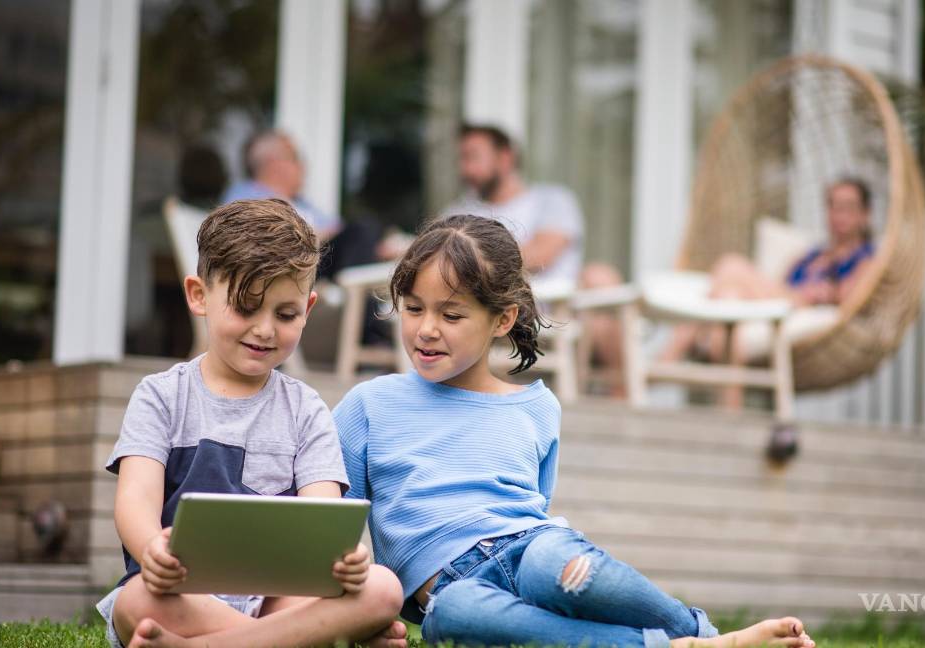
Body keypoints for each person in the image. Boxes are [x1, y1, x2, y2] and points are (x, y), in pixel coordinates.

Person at [333, 214, 817, 648]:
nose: (426, 329)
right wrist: (364, 609)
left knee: (554, 567)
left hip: (533, 552)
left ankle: (700, 633)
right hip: (449, 592)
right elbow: (337, 525)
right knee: (455, 617)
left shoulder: (537, 408)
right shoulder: (369, 405)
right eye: (414, 309)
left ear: (503, 319)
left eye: (451, 314)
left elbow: (535, 508)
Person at [95, 199, 407, 648]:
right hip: (180, 594)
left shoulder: (306, 408)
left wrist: (345, 560)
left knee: (381, 588)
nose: (264, 330)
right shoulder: (161, 395)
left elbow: (322, 523)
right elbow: (135, 500)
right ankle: (298, 641)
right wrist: (151, 548)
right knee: (135, 603)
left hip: (275, 596)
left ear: (309, 307)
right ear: (199, 295)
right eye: (245, 308)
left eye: (285, 315)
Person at [661, 177, 877, 368]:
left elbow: (852, 300)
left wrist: (821, 292)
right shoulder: (815, 254)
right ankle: (730, 411)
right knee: (729, 297)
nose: (839, 215)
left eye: (848, 207)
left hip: (798, 306)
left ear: (865, 214)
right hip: (782, 300)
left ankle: (661, 367)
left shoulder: (865, 259)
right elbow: (781, 281)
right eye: (833, 206)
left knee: (731, 265)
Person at [224, 130, 409, 278]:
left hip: (320, 263)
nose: (303, 166)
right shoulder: (245, 194)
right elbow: (250, 240)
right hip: (288, 268)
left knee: (365, 232)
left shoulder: (303, 204)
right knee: (362, 229)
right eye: (296, 158)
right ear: (275, 163)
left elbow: (339, 230)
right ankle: (368, 323)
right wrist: (321, 234)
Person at [443, 124, 585, 284]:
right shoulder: (458, 210)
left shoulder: (553, 200)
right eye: (461, 159)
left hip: (547, 307)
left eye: (473, 157)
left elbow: (540, 257)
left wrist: (464, 260)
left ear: (505, 158)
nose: (465, 169)